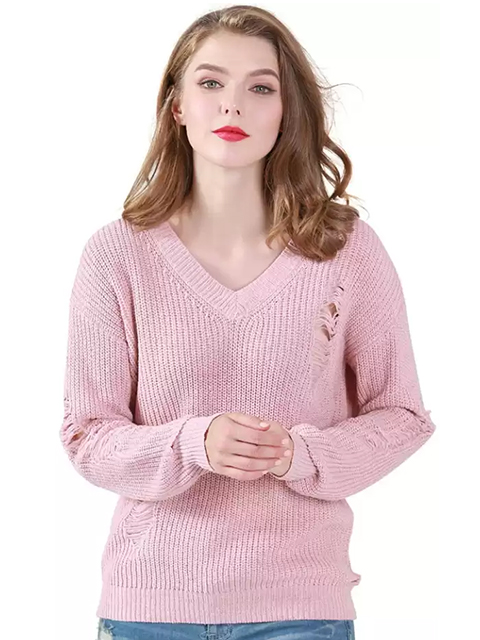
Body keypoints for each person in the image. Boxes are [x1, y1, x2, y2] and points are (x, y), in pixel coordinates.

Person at [60, 5, 436, 640]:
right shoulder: (116, 254)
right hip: (150, 608)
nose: (232, 104)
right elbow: (87, 435)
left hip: (301, 609)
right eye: (211, 82)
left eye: (261, 88)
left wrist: (298, 454)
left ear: (286, 111)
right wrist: (192, 443)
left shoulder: (346, 251)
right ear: (177, 105)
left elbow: (403, 416)